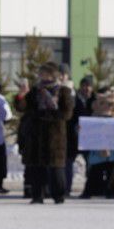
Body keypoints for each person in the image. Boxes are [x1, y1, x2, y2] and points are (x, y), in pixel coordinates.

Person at [15, 62, 74, 204]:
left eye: (45, 73)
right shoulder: (35, 90)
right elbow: (22, 108)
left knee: (56, 168)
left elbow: (66, 113)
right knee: (36, 167)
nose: (41, 75)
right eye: (41, 73)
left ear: (53, 75)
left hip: (55, 136)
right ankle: (37, 196)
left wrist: (45, 115)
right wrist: (21, 96)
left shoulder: (63, 91)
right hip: (36, 135)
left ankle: (59, 196)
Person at [81, 90, 114, 199]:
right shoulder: (94, 117)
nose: (108, 106)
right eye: (104, 103)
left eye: (110, 104)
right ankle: (89, 192)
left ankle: (110, 192)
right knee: (94, 172)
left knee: (113, 173)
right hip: (98, 152)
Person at [67, 75, 96, 196]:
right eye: (84, 86)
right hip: (74, 137)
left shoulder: (95, 100)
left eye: (88, 86)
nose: (86, 88)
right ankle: (65, 189)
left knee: (91, 164)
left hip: (90, 139)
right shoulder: (74, 100)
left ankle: (90, 190)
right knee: (68, 163)